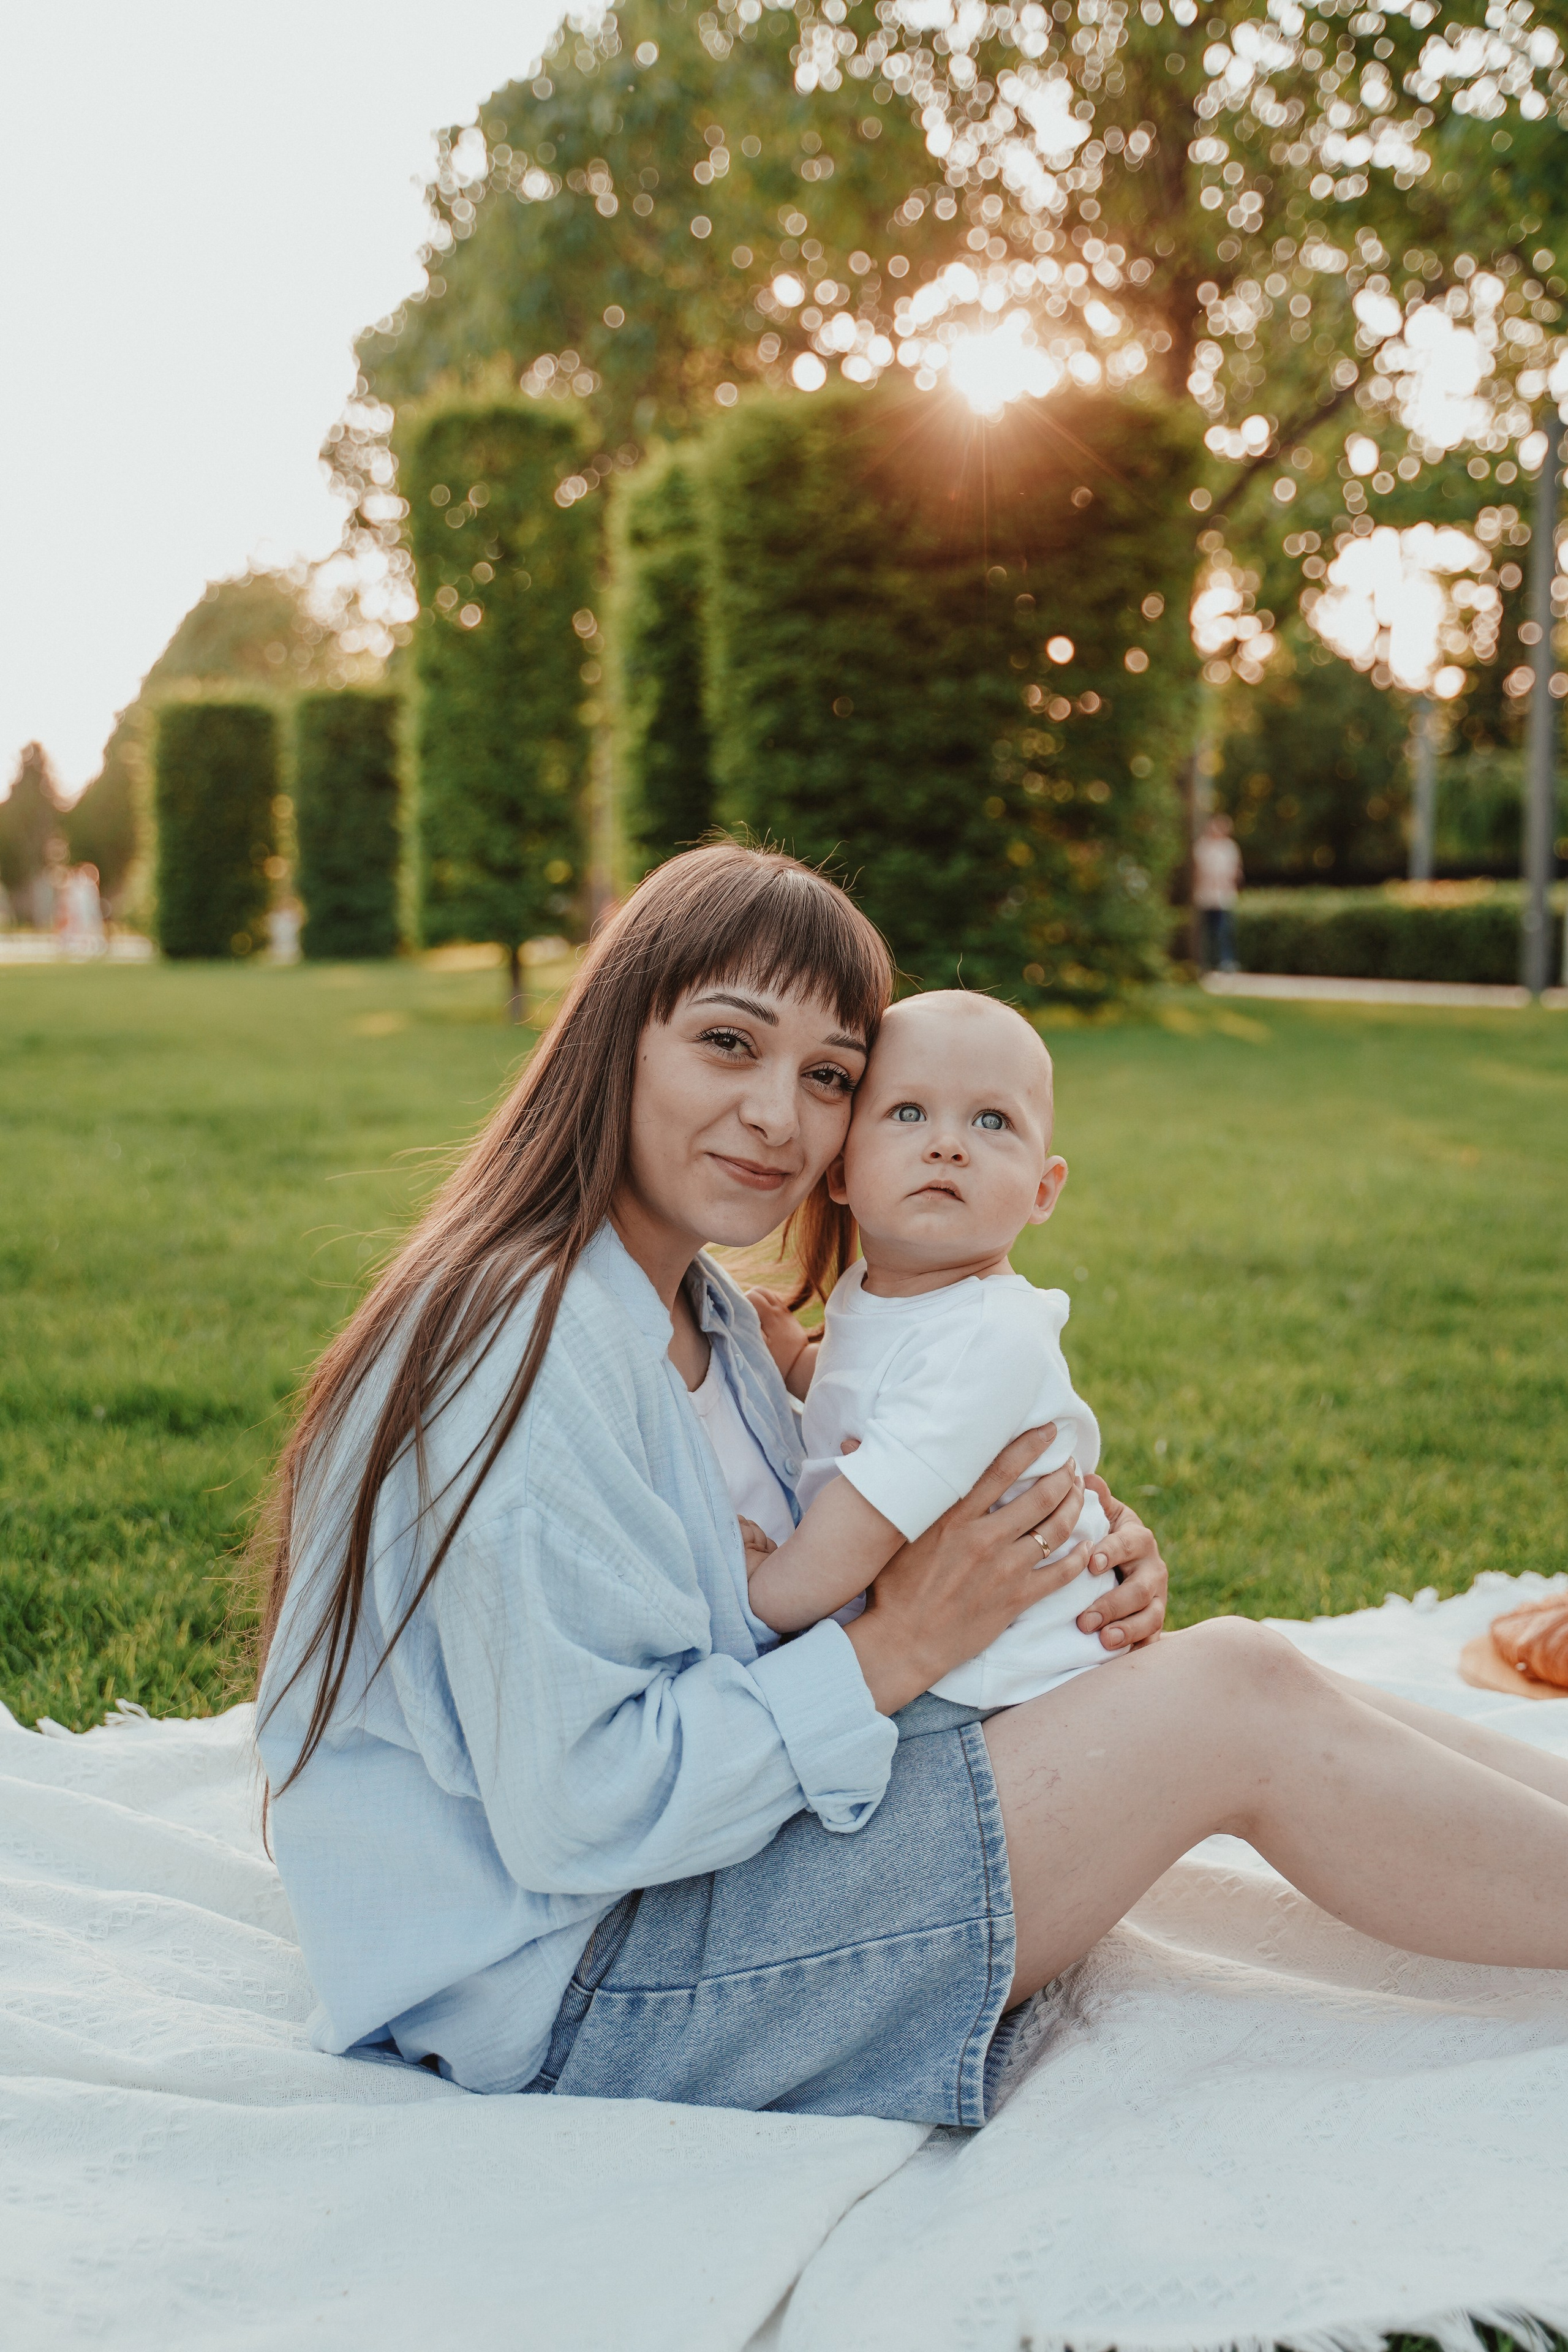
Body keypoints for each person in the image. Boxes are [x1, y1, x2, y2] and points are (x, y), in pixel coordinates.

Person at [256, 843, 1568, 2131]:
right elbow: (585, 1816)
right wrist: (906, 1640)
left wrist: (1059, 1559)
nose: (778, 1112)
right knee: (1225, 1706)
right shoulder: (522, 1351)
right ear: (612, 1039)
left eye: (829, 1075)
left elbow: (845, 1536)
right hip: (590, 1983)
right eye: (727, 1043)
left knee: (1243, 1667)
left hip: (707, 1875)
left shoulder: (701, 1314)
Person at [745, 989, 1118, 1709]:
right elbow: (885, 1394)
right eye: (908, 1112)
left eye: (992, 1120)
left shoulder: (991, 1333)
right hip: (964, 1656)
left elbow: (873, 1509)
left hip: (1014, 1678)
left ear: (1043, 1190)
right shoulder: (878, 1292)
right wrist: (799, 1365)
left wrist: (773, 1591)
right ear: (844, 1173)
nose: (948, 1144)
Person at [1193, 811, 1243, 971]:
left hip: (1224, 895)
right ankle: (1205, 963)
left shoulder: (1230, 847)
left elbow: (1235, 871)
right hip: (1206, 894)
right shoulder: (1203, 846)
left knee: (1224, 931)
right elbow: (1198, 871)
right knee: (1207, 932)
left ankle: (1226, 961)